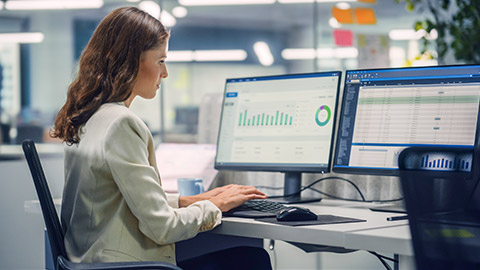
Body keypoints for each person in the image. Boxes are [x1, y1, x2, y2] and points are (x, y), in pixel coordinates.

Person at [52, 6, 272, 270]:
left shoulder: (88, 117)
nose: (164, 73)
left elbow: (115, 200)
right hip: (124, 266)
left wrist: (187, 201)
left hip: (90, 261)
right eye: (160, 61)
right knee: (250, 258)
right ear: (131, 62)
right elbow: (163, 228)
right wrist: (215, 207)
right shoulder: (121, 123)